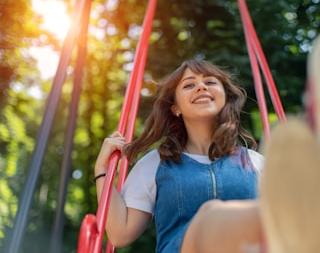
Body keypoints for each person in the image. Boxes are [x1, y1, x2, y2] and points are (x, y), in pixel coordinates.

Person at [94, 59, 265, 252]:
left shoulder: (254, 162)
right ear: (175, 108)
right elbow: (120, 234)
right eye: (189, 85)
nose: (201, 87)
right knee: (211, 214)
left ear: (225, 96)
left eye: (210, 82)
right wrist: (102, 171)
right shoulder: (155, 164)